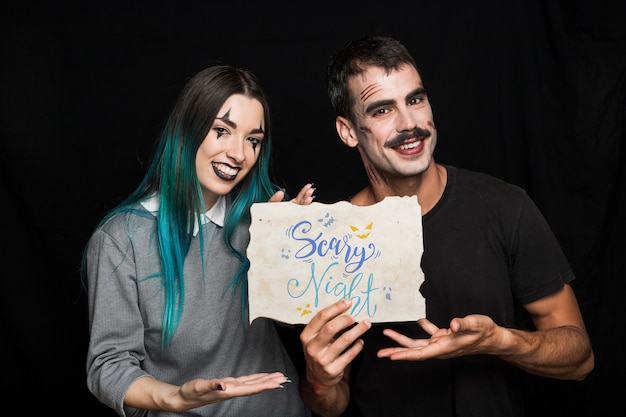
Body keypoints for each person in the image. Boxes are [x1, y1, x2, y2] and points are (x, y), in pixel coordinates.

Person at [297, 35, 594, 417]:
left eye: (415, 100)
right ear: (349, 131)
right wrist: (319, 379)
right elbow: (331, 404)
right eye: (383, 109)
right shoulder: (331, 240)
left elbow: (580, 358)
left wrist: (498, 341)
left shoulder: (505, 206)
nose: (410, 124)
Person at [82, 64, 314, 416]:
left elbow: (297, 318)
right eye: (222, 130)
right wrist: (176, 398)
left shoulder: (260, 219)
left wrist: (288, 249)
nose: (239, 154)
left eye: (253, 140)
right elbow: (108, 366)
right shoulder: (121, 239)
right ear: (187, 130)